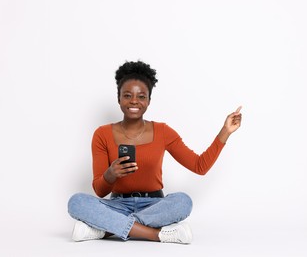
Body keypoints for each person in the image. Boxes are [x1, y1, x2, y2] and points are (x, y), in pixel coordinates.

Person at [67, 60, 242, 244]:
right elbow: (100, 191)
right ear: (118, 98)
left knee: (183, 202)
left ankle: (105, 230)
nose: (134, 101)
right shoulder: (102, 134)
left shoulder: (163, 131)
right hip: (117, 205)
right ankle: (155, 234)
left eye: (141, 96)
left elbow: (200, 166)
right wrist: (111, 174)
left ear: (149, 101)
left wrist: (225, 132)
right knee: (76, 202)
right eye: (127, 95)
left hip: (154, 205)